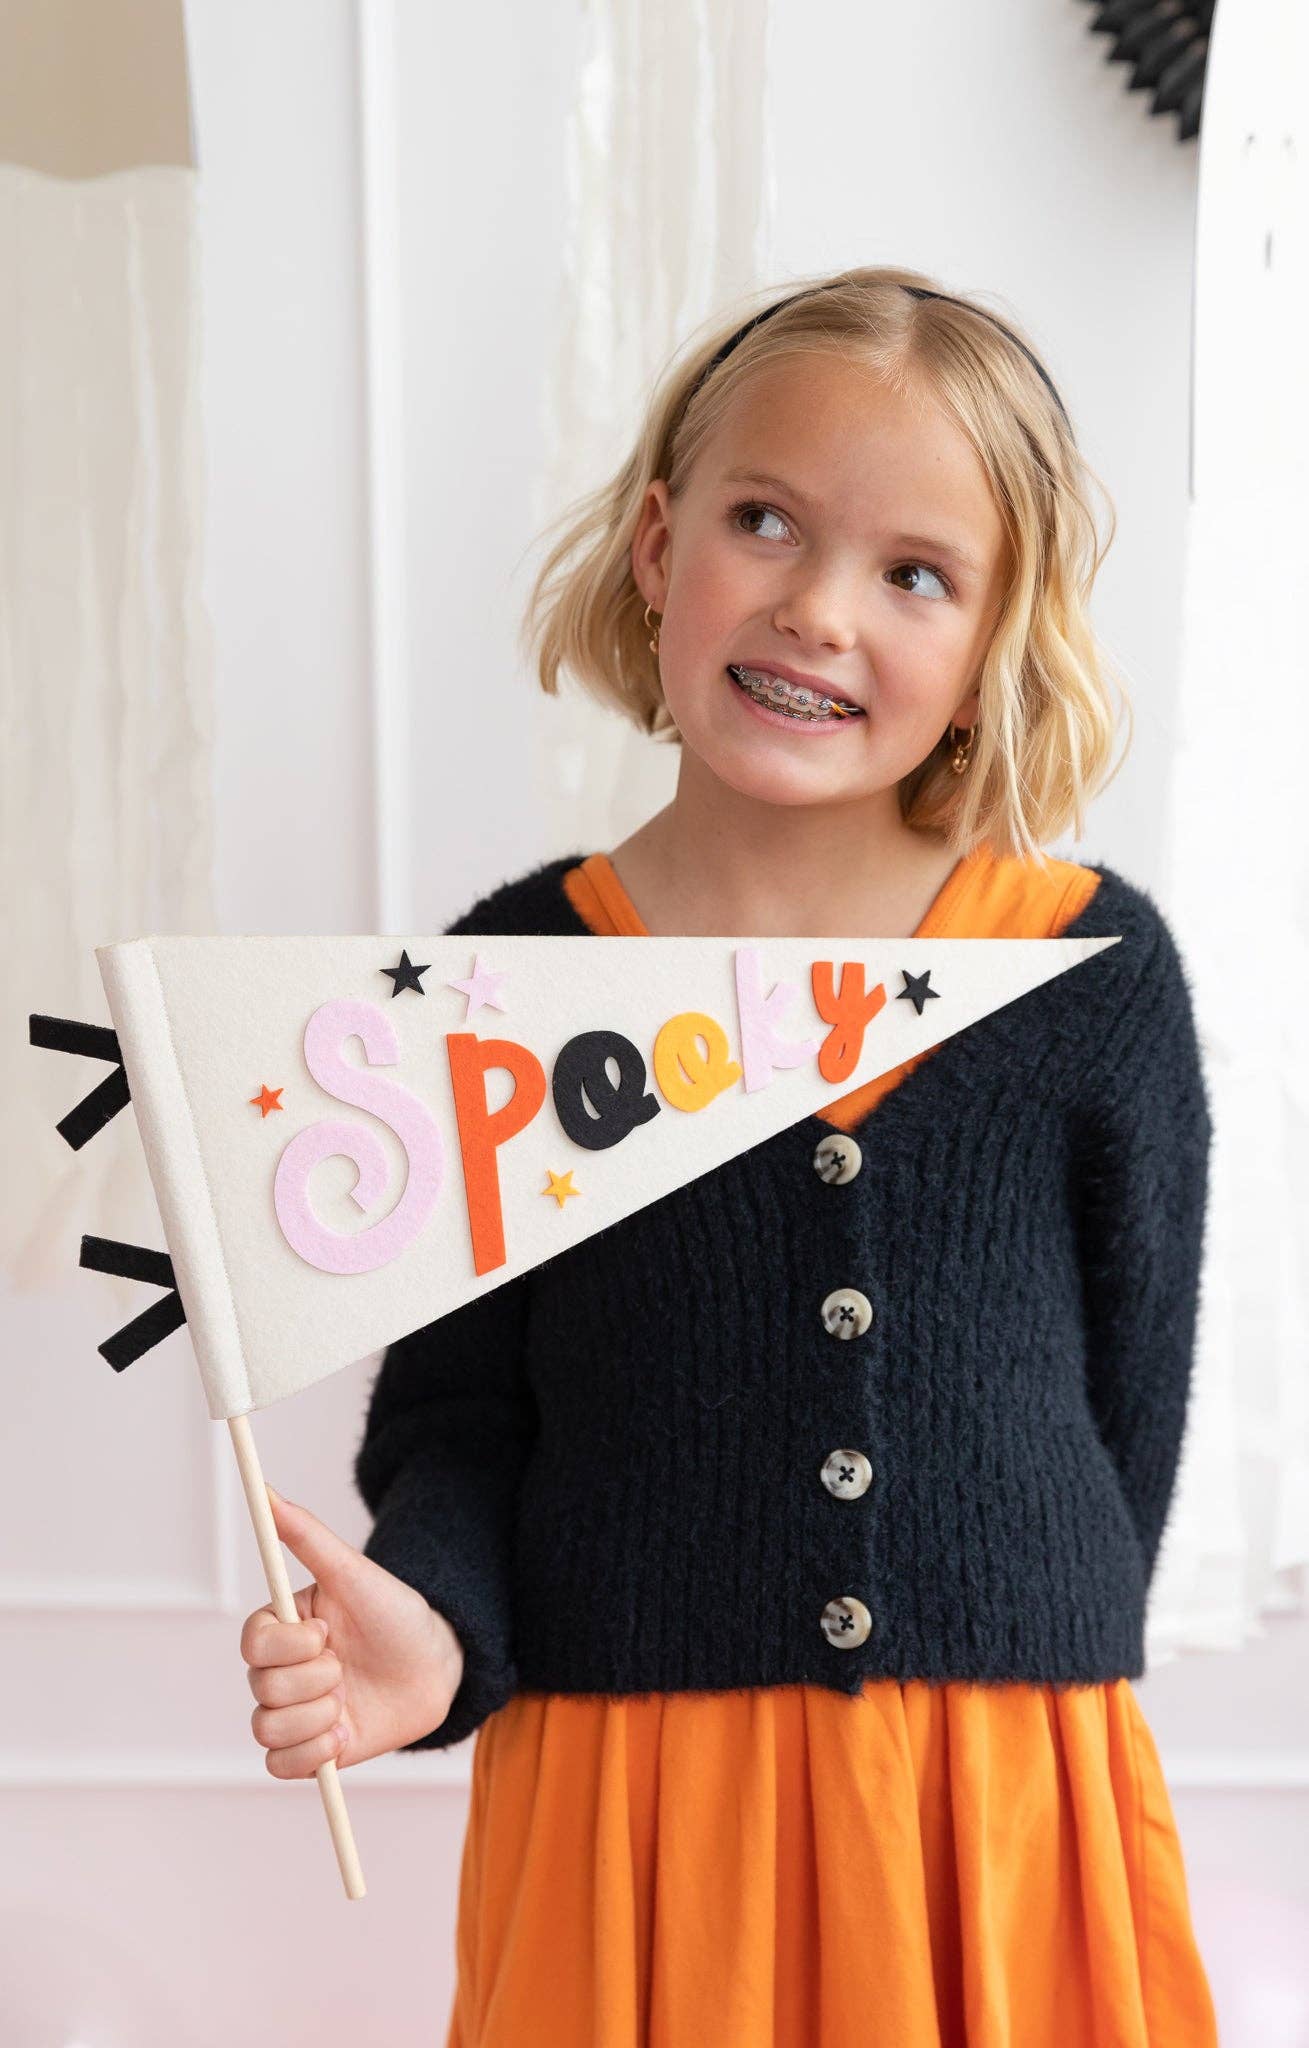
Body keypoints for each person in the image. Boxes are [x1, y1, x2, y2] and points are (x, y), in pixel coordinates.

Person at [241, 264, 1220, 2045]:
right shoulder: (510, 981)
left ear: (993, 642)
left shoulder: (1088, 974)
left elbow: (1128, 1420)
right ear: (654, 545)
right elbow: (460, 1418)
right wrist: (439, 1629)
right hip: (632, 1825)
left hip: (993, 1810)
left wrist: (1017, 1661)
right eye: (764, 521)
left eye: (914, 573)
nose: (818, 611)